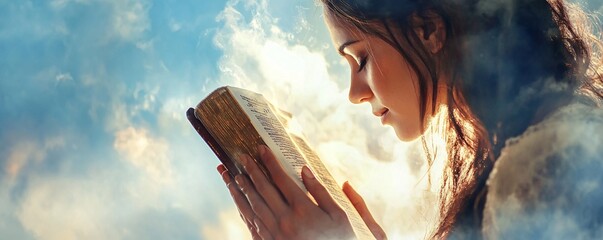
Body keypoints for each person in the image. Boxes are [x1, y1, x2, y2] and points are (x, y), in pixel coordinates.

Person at [214, 0, 603, 239]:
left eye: (360, 59)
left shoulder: (552, 162)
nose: (354, 93)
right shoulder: (531, 150)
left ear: (427, 29)